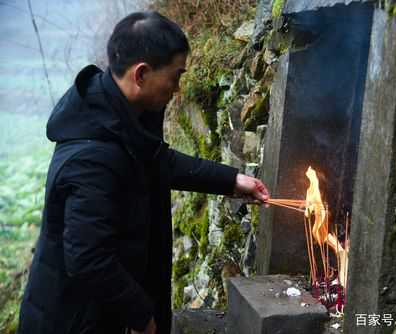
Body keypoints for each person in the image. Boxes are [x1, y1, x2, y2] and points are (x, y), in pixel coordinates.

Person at [17, 11, 269, 334]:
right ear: (141, 74)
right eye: (175, 76)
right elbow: (87, 257)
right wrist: (140, 315)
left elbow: (158, 161)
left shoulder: (117, 114)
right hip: (72, 321)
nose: (178, 89)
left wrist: (232, 180)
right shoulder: (92, 159)